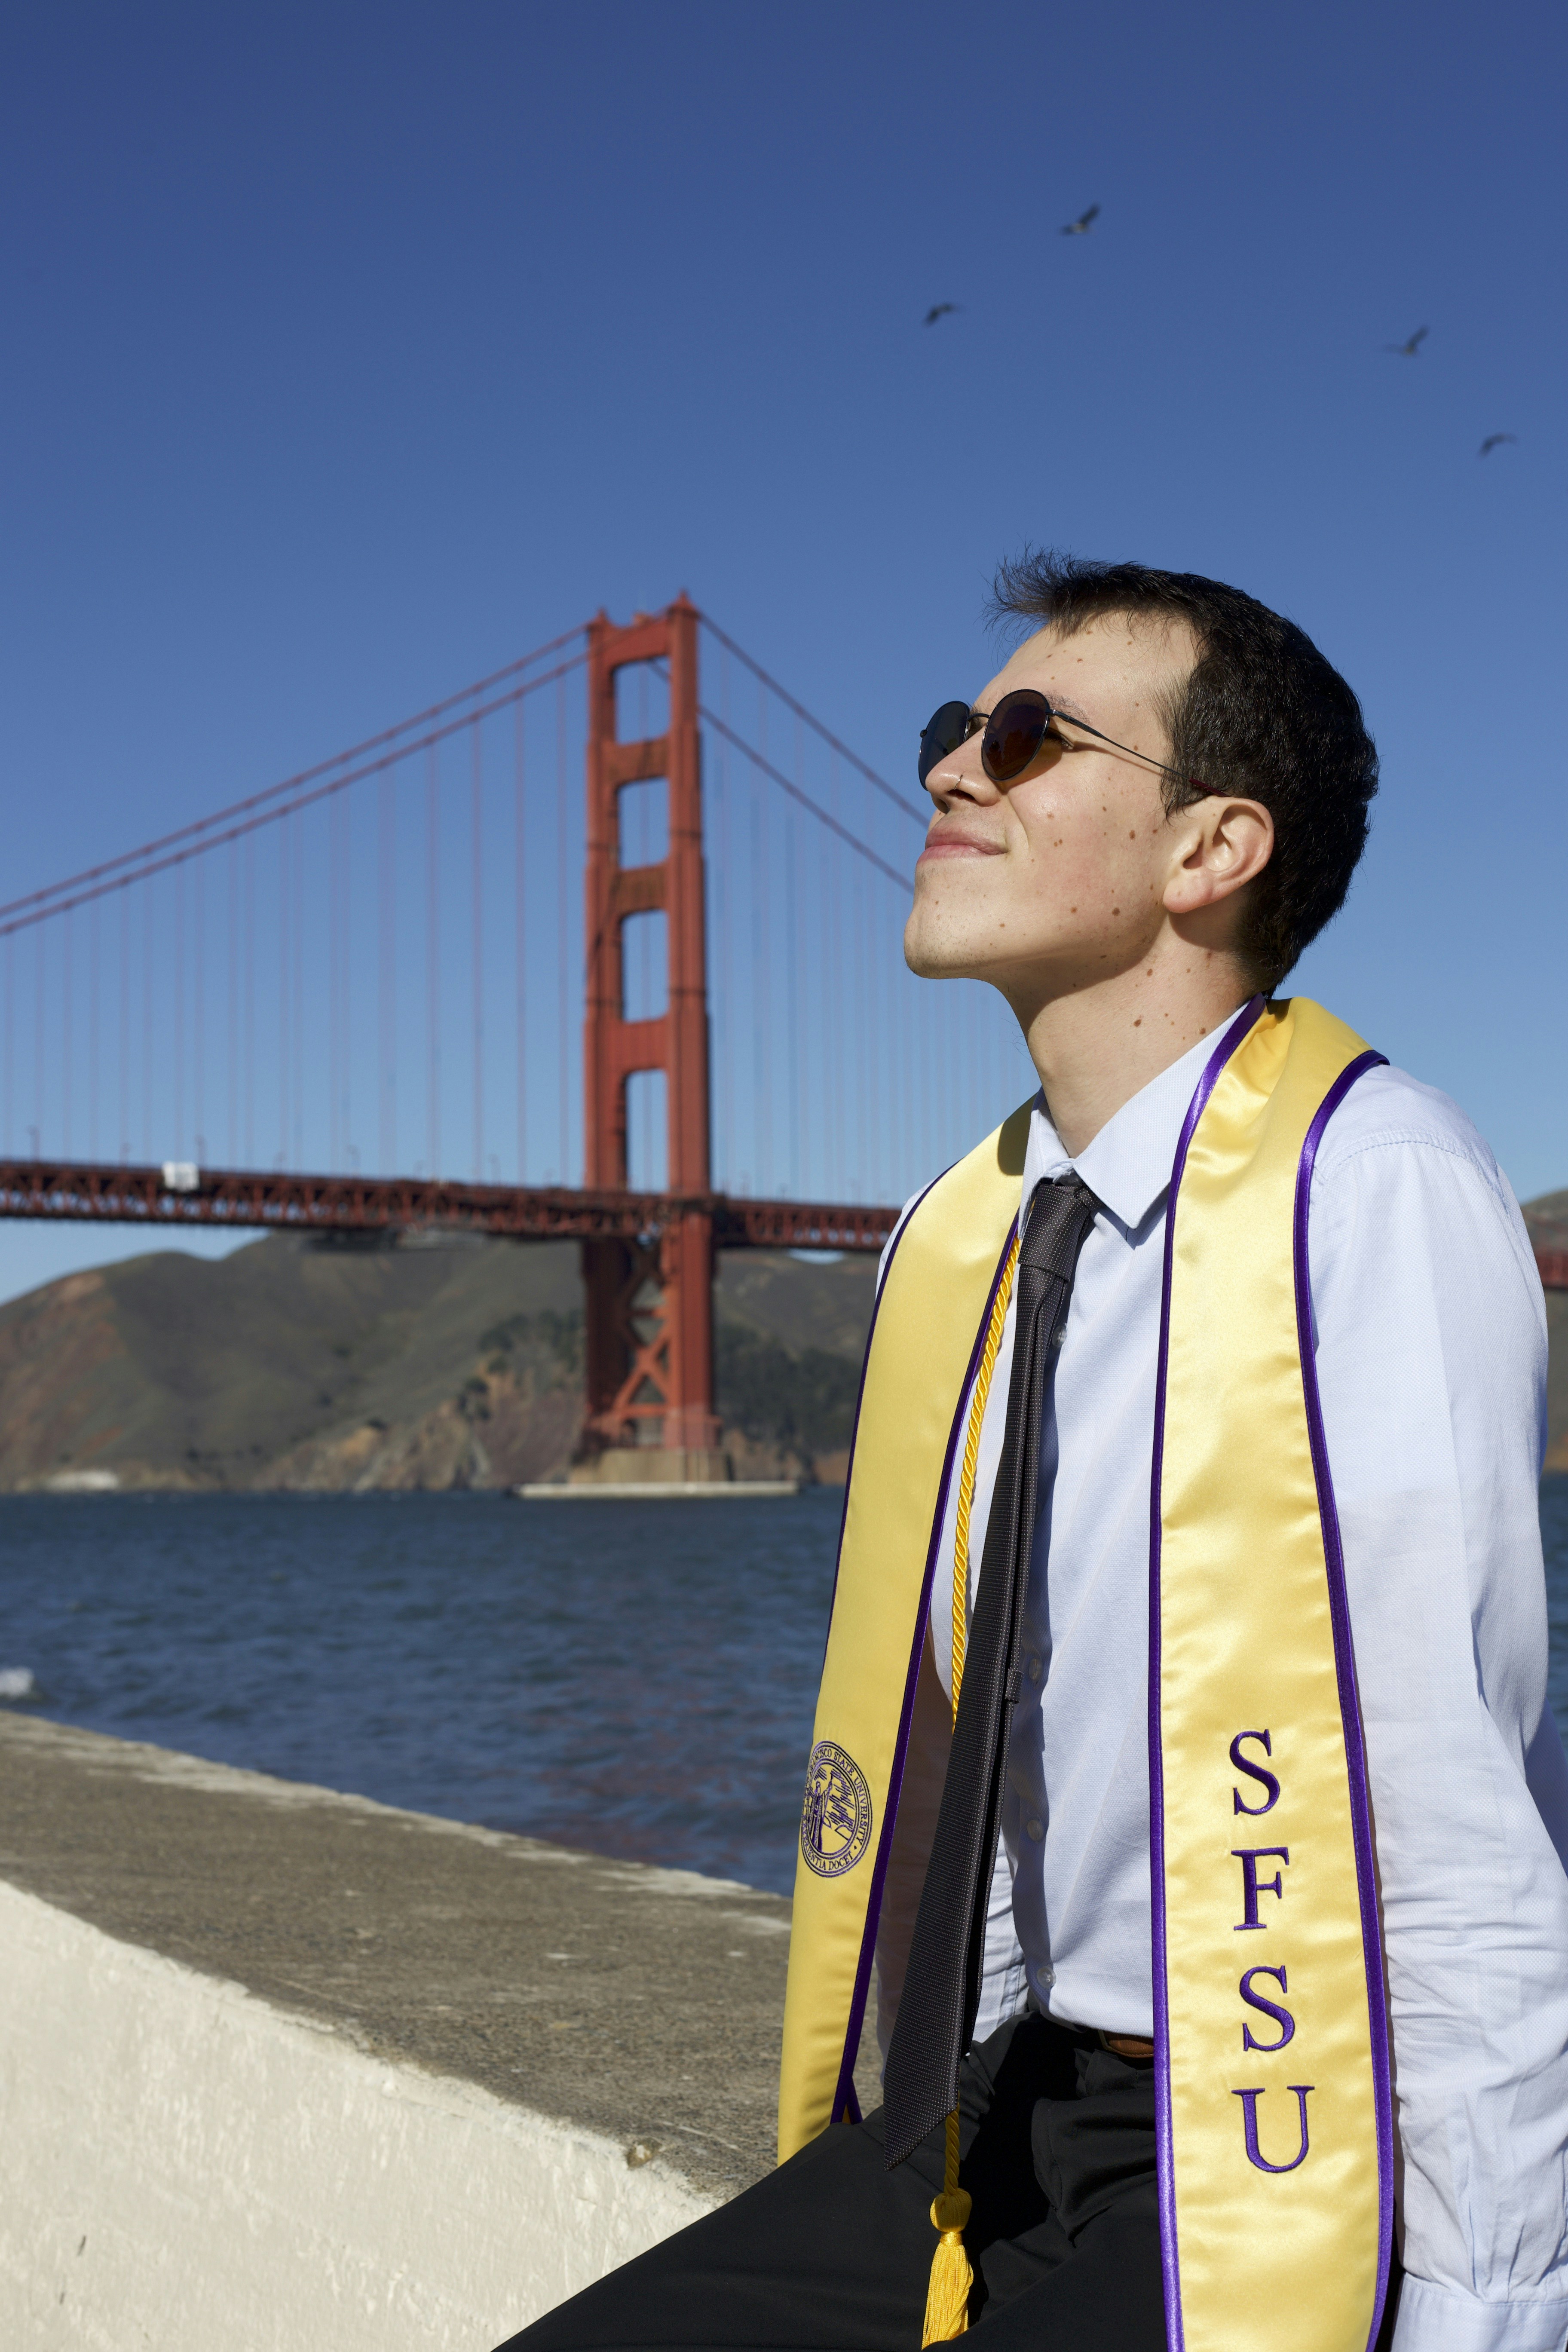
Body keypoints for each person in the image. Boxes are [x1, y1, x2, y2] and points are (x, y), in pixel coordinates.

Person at [497, 556, 1568, 2352]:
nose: (946, 773)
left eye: (1023, 738)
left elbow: (1454, 1848)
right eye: (949, 733)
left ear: (1211, 852)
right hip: (992, 2107)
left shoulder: (1364, 1193)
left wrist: (1483, 2315)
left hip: (1262, 2143)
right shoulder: (984, 1231)